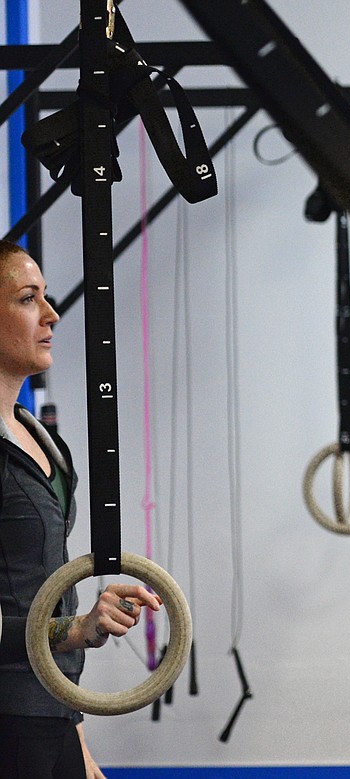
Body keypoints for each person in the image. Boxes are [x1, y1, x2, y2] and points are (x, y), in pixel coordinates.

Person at [0, 239, 161, 779]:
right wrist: (69, 629)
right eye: (28, 299)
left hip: (52, 715)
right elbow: (48, 618)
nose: (51, 314)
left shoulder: (46, 443)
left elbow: (51, 585)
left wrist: (78, 740)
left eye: (45, 296)